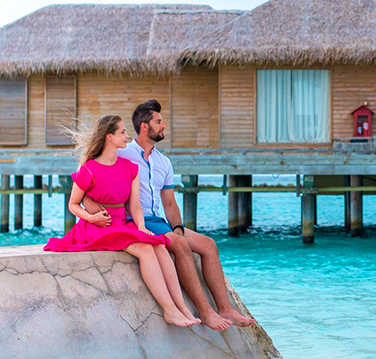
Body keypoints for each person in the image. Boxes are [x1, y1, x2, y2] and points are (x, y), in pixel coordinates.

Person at [83, 100, 255, 331]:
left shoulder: (164, 162)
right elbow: (91, 174)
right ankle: (205, 312)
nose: (163, 126)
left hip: (158, 221)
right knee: (180, 246)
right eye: (159, 121)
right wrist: (91, 206)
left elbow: (170, 203)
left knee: (208, 245)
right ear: (145, 126)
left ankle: (224, 308)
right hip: (134, 221)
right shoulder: (124, 153)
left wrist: (178, 228)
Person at [44, 114, 201, 328]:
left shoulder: (129, 167)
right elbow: (73, 204)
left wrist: (142, 227)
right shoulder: (89, 168)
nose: (127, 136)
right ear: (109, 136)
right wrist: (91, 217)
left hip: (122, 223)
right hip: (98, 226)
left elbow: (135, 207)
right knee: (145, 250)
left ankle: (182, 307)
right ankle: (169, 311)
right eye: (123, 132)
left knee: (159, 246)